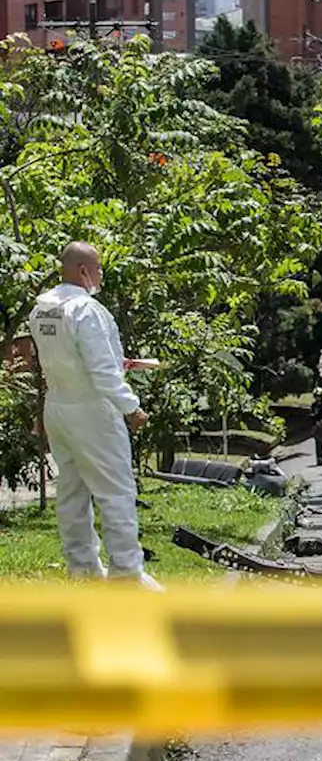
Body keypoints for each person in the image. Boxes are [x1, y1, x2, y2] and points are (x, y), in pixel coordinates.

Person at [27, 241, 162, 590]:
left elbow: (49, 361)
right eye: (98, 268)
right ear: (84, 271)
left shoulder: (41, 309)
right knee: (114, 492)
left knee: (71, 493)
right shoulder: (86, 310)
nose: (101, 274)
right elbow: (102, 371)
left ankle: (83, 569)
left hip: (58, 407)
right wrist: (131, 406)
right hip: (93, 411)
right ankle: (126, 574)